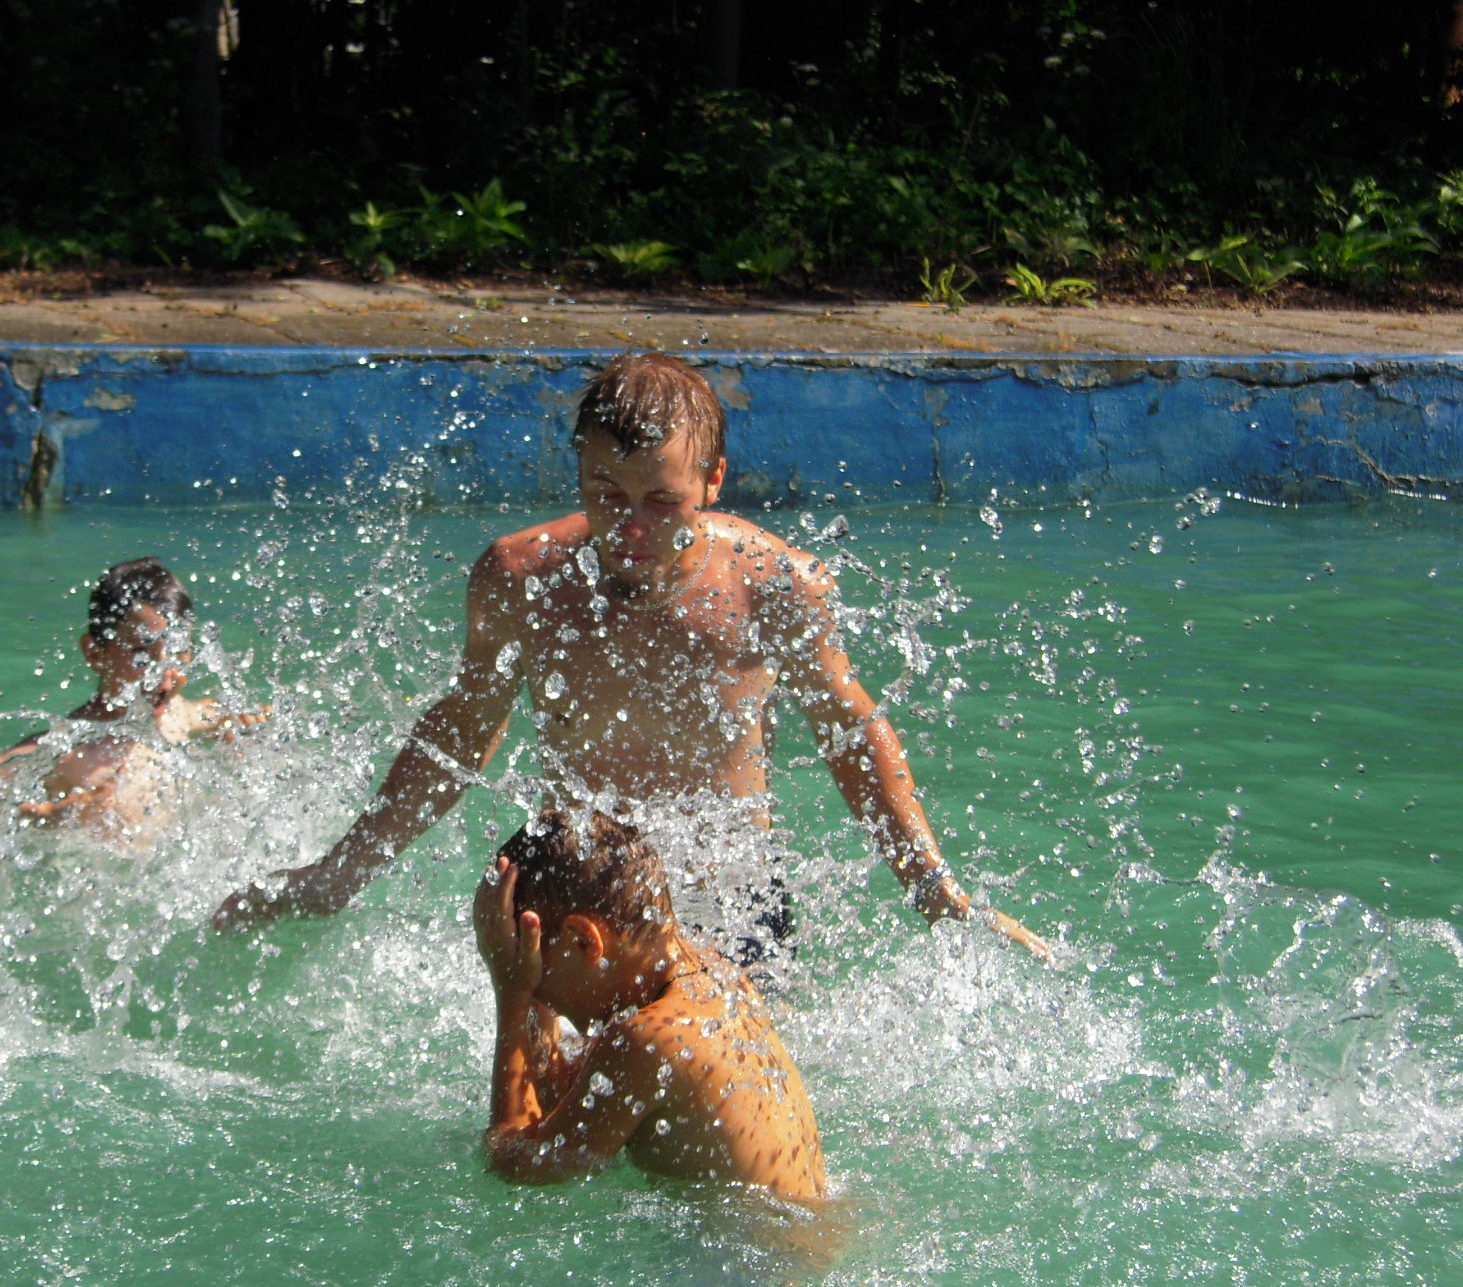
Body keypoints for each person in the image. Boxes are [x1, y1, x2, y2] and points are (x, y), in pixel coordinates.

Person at [214, 352, 1046, 959]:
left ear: (713, 481)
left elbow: (852, 733)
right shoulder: (522, 579)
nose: (631, 528)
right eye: (607, 496)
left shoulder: (774, 585)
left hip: (726, 899)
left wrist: (936, 893)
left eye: (661, 501)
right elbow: (464, 729)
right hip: (571, 889)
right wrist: (340, 873)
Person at [475, 809, 826, 1199]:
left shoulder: (644, 1041)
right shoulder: (720, 978)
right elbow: (560, 1099)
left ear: (584, 941)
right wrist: (528, 989)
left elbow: (524, 1165)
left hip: (748, 1241)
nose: (535, 985)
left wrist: (512, 992)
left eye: (534, 961)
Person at [0, 558, 261, 837]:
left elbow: (233, 717)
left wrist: (247, 724)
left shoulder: (181, 715)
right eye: (141, 652)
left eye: (179, 651)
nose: (163, 673)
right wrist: (43, 814)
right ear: (95, 653)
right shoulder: (69, 749)